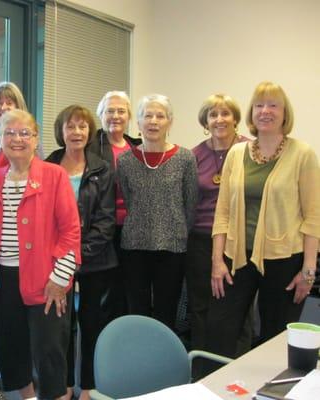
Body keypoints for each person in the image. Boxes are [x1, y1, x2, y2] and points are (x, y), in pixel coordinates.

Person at [0, 109, 81, 399]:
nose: (17, 139)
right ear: (0, 139)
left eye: (24, 133)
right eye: (9, 132)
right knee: (11, 350)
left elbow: (71, 232)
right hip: (3, 280)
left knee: (49, 352)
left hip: (47, 278)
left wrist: (60, 279)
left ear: (35, 139)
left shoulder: (54, 175)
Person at [206, 82, 320, 360]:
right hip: (236, 257)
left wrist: (308, 271)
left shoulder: (302, 154)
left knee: (274, 337)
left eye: (273, 105)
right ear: (251, 113)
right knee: (220, 331)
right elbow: (222, 212)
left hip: (283, 259)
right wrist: (217, 261)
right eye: (259, 105)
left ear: (285, 113)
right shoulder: (237, 153)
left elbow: (314, 217)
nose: (265, 111)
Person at [46, 105, 117, 400]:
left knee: (90, 326)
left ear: (89, 131)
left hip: (95, 261)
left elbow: (106, 220)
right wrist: (62, 259)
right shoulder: (48, 166)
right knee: (61, 327)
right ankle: (63, 384)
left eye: (82, 127)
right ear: (61, 131)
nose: (76, 132)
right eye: (70, 126)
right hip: (56, 261)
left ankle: (87, 385)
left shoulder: (102, 167)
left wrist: (77, 256)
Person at [117, 94, 198, 329]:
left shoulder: (185, 158)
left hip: (172, 247)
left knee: (166, 311)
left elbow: (190, 203)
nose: (153, 121)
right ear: (138, 123)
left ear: (170, 122)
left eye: (160, 116)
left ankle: (162, 362)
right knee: (137, 313)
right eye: (147, 115)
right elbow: (130, 201)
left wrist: (176, 228)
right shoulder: (125, 160)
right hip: (134, 246)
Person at [186, 94, 251, 377]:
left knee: (238, 307)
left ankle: (239, 371)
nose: (219, 119)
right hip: (200, 240)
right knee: (201, 307)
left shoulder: (252, 150)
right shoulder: (194, 155)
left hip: (239, 240)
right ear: (205, 121)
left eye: (225, 113)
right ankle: (202, 373)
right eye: (213, 114)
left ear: (235, 118)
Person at [87, 90, 141, 317]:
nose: (115, 116)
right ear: (100, 115)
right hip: (102, 230)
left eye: (121, 111)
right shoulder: (90, 147)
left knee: (127, 290)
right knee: (100, 294)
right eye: (110, 111)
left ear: (129, 116)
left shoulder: (138, 147)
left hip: (133, 230)